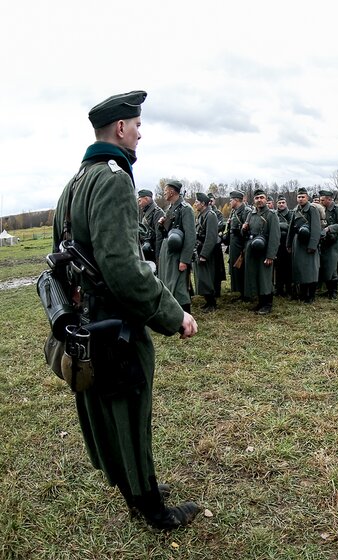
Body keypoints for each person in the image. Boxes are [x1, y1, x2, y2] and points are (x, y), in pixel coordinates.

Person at [52, 90, 200, 530]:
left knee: (106, 410)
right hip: (115, 326)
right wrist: (175, 315)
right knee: (131, 410)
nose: (140, 132)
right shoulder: (114, 179)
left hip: (85, 322)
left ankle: (134, 481)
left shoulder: (75, 181)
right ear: (120, 129)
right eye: (136, 125)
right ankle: (149, 505)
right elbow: (122, 267)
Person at [158, 180, 195, 313]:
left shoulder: (186, 209)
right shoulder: (170, 209)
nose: (164, 193)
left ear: (172, 191)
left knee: (179, 285)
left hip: (179, 254)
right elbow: (167, 233)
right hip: (169, 251)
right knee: (169, 282)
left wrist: (184, 260)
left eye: (165, 190)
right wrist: (162, 225)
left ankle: (186, 315)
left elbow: (191, 236)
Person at [242, 189, 280, 314]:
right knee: (255, 276)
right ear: (254, 200)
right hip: (252, 249)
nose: (259, 200)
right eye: (257, 198)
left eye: (262, 197)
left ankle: (267, 304)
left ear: (266, 199)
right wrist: (244, 229)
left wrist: (270, 255)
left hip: (265, 250)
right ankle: (260, 302)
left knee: (265, 277)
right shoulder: (251, 214)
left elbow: (275, 237)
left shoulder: (271, 215)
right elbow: (245, 234)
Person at [290, 187, 322, 303]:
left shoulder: (312, 209)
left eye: (303, 197)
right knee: (301, 270)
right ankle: (303, 294)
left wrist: (313, 245)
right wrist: (289, 243)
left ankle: (311, 295)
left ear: (307, 198)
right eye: (299, 197)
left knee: (311, 270)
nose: (301, 199)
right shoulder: (295, 210)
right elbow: (291, 228)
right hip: (298, 243)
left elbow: (316, 228)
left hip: (309, 243)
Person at [192, 193, 219, 312]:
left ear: (203, 203)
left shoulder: (210, 215)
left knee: (207, 277)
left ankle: (212, 303)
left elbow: (211, 237)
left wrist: (204, 254)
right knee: (202, 277)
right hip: (200, 249)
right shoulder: (202, 215)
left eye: (197, 202)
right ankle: (208, 301)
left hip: (207, 252)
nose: (195, 204)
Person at [318, 189, 338, 299]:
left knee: (331, 265)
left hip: (335, 241)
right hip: (324, 241)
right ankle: (330, 290)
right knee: (326, 265)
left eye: (322, 200)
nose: (320, 202)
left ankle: (333, 291)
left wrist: (329, 228)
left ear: (329, 199)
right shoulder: (320, 209)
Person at [225, 191, 251, 298]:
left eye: (231, 200)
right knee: (236, 268)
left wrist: (239, 231)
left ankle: (246, 293)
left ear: (236, 200)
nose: (230, 202)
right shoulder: (234, 211)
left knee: (243, 269)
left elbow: (249, 229)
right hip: (234, 244)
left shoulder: (246, 211)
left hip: (242, 245)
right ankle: (240, 291)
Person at [137, 189, 164, 272]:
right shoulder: (145, 212)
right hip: (147, 249)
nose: (139, 203)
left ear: (146, 199)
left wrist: (158, 257)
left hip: (153, 251)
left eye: (140, 200)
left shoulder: (157, 212)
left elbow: (159, 236)